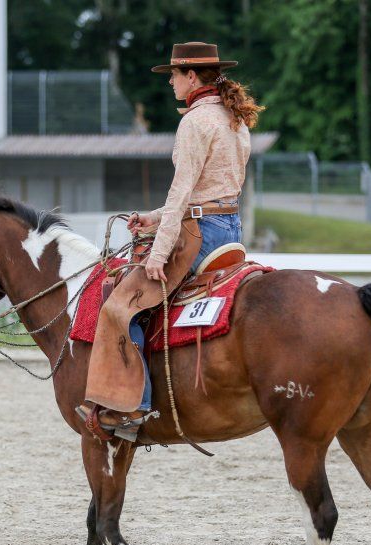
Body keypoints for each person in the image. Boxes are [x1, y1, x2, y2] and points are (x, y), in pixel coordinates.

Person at [78, 42, 265, 441]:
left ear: (191, 77)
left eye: (174, 76)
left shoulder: (195, 123)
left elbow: (183, 194)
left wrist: (157, 253)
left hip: (199, 234)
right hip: (228, 229)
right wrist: (153, 218)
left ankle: (134, 406)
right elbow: (208, 193)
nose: (171, 84)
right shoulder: (234, 119)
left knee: (118, 305)